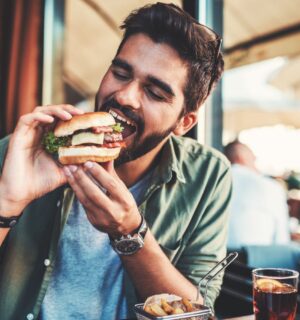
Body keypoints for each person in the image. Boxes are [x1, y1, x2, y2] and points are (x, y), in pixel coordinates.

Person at [0, 3, 231, 320]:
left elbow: (199, 316)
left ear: (185, 122)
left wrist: (131, 234)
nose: (125, 96)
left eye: (154, 92)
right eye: (121, 73)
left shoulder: (208, 175)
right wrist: (8, 202)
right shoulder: (25, 152)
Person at [224, 141, 290, 250]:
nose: (255, 162)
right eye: (253, 158)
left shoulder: (212, 181)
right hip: (254, 258)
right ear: (241, 157)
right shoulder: (269, 185)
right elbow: (281, 238)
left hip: (217, 259)